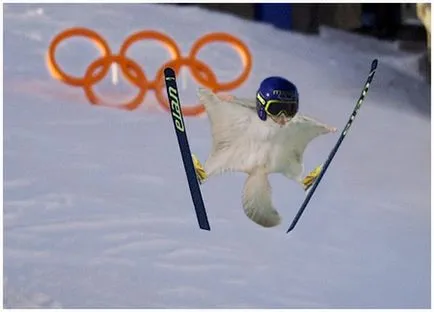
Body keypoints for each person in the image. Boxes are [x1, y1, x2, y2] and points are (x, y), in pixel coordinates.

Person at [192, 77, 336, 228]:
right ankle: (204, 173)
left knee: (290, 162)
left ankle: (304, 180)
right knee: (224, 157)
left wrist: (324, 128)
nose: (282, 117)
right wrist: (208, 96)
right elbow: (222, 105)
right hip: (241, 150)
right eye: (275, 109)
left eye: (289, 110)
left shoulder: (293, 124)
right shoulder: (244, 114)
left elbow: (307, 124)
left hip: (275, 157)